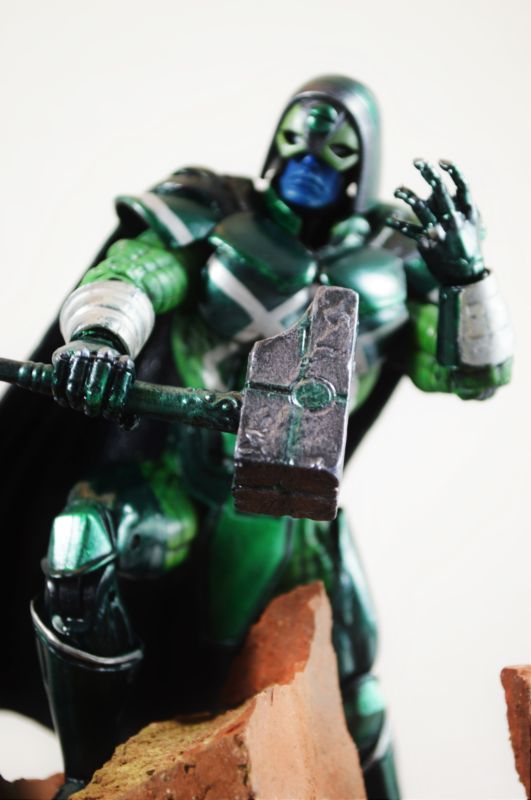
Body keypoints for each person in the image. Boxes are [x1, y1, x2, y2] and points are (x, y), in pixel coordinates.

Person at [0, 75, 512, 799]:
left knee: (354, 678)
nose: (309, 158)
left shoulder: (399, 256)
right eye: (296, 138)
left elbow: (470, 374)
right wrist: (101, 339)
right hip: (180, 486)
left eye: (335, 149)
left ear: (364, 161)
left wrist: (466, 277)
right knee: (79, 542)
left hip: (293, 512)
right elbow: (135, 274)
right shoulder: (212, 211)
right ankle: (88, 774)